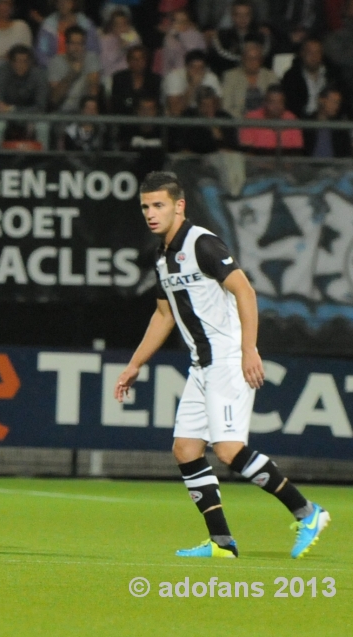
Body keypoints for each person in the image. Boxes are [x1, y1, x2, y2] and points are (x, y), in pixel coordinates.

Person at [114, 171, 330, 560]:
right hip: (202, 366)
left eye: (159, 204)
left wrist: (249, 349)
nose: (151, 212)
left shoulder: (202, 244)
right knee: (185, 449)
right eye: (146, 206)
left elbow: (243, 288)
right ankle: (222, 542)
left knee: (230, 450)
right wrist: (134, 364)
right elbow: (163, 316)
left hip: (228, 359)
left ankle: (307, 511)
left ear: (179, 206)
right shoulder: (162, 256)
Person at [238, 83, 304, 153]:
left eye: (280, 102)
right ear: (265, 103)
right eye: (272, 102)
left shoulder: (292, 120)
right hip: (256, 161)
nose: (276, 106)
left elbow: (296, 152)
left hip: (285, 161)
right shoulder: (251, 118)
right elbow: (247, 152)